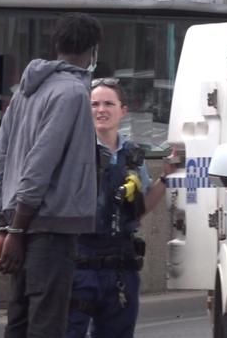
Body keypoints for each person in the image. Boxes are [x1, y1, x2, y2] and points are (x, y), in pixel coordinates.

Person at [0, 12, 102, 338]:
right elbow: (41, 162)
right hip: (49, 227)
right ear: (94, 50)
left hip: (19, 223)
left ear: (56, 44)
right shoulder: (72, 93)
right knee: (46, 324)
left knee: (19, 321)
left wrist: (3, 225)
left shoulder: (26, 91)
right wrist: (15, 229)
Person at [66, 78, 172, 338]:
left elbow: (139, 208)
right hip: (80, 259)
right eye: (94, 104)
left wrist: (166, 178)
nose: (101, 110)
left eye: (108, 104)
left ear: (123, 110)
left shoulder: (132, 154)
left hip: (121, 263)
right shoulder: (73, 151)